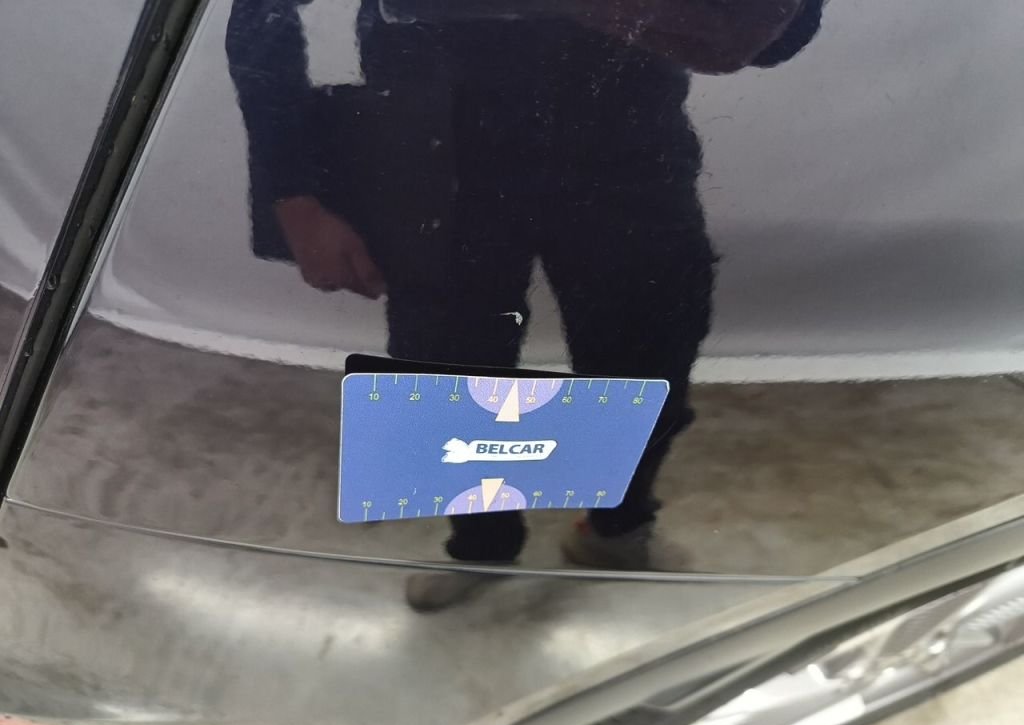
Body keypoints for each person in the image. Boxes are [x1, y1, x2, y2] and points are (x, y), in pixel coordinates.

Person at [227, 0, 824, 611]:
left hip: (622, 135)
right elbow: (259, 9)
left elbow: (783, 33)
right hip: (436, 149)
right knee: (451, 375)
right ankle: (482, 549)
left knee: (648, 364)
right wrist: (293, 195)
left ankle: (616, 529)